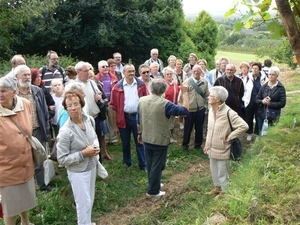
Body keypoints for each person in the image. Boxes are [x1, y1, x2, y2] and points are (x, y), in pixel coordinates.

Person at [138, 78, 189, 197]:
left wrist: (139, 133)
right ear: (164, 90)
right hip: (159, 139)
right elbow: (185, 111)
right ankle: (153, 191)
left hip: (146, 137)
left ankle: (154, 183)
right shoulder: (166, 104)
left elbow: (139, 118)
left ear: (151, 88)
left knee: (151, 164)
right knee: (157, 165)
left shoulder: (142, 100)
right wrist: (185, 93)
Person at [56, 91, 98, 225]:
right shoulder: (65, 132)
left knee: (89, 199)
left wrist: (96, 146)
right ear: (66, 109)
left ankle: (88, 222)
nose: (73, 108)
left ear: (81, 105)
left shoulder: (89, 120)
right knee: (83, 203)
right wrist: (83, 154)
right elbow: (61, 159)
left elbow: (94, 137)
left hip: (92, 166)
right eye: (69, 105)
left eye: (76, 104)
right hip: (78, 171)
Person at [0, 76, 36, 225]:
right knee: (11, 207)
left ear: (14, 92)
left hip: (26, 163)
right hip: (6, 168)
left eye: (3, 91)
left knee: (25, 198)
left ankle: (25, 222)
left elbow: (29, 130)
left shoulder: (25, 104)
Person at [204, 86, 248, 199]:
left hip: (223, 148)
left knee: (222, 173)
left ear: (218, 99)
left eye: (211, 95)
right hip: (212, 147)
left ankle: (225, 192)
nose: (208, 97)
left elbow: (244, 126)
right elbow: (210, 129)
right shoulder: (210, 109)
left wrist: (231, 136)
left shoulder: (229, 113)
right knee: (213, 169)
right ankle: (217, 188)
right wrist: (207, 144)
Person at [15, 65, 54, 192]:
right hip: (19, 133)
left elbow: (44, 112)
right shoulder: (12, 93)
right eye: (24, 75)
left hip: (37, 129)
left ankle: (42, 185)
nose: (27, 77)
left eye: (28, 75)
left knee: (39, 158)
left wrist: (46, 129)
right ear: (17, 77)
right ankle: (25, 186)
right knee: (22, 160)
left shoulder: (37, 90)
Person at [110, 64, 147, 170]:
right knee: (125, 142)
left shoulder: (141, 85)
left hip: (137, 117)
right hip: (124, 117)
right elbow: (114, 107)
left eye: (133, 71)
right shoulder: (117, 88)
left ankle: (143, 164)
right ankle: (127, 162)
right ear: (123, 73)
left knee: (140, 141)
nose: (131, 73)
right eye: (129, 71)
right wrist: (115, 125)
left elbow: (146, 101)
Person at [75, 61, 104, 162]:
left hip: (95, 117)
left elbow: (99, 93)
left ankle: (98, 162)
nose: (88, 72)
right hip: (82, 121)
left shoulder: (91, 82)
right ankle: (88, 163)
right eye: (86, 71)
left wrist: (99, 96)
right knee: (86, 143)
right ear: (78, 72)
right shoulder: (74, 85)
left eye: (89, 70)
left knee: (97, 140)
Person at [178, 65, 209, 154]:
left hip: (201, 109)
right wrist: (181, 109)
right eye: (194, 70)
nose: (196, 72)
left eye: (198, 70)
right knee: (188, 128)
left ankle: (198, 145)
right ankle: (185, 145)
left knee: (199, 128)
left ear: (201, 71)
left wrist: (207, 106)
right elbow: (181, 97)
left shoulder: (205, 82)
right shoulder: (187, 82)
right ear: (192, 71)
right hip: (189, 110)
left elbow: (207, 95)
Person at [89, 69, 112, 160]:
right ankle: (95, 154)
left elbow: (106, 99)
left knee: (102, 134)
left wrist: (100, 100)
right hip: (91, 115)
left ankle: (105, 152)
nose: (90, 79)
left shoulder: (97, 86)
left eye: (91, 77)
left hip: (100, 114)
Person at [256, 66, 286, 133]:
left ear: (277, 76)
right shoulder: (264, 86)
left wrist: (270, 103)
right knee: (261, 132)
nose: (271, 76)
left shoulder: (280, 88)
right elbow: (257, 99)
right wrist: (262, 101)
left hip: (274, 115)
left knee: (271, 134)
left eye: (273, 74)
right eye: (269, 74)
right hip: (262, 113)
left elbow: (282, 103)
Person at [96, 60, 119, 146]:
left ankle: (113, 138)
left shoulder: (114, 78)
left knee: (112, 120)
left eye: (106, 66)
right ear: (99, 69)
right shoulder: (96, 79)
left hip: (112, 102)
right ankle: (105, 139)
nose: (105, 68)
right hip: (101, 103)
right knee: (104, 121)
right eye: (103, 67)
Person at [243, 62, 267, 141]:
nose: (254, 70)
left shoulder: (264, 78)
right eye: (253, 68)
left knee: (258, 118)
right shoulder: (248, 77)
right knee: (249, 118)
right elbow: (244, 88)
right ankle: (249, 133)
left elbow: (267, 90)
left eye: (256, 68)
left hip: (259, 102)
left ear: (259, 69)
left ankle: (257, 134)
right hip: (249, 101)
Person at [164, 68, 180, 143]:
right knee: (166, 123)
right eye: (167, 74)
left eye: (171, 74)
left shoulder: (175, 84)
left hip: (174, 106)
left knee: (173, 122)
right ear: (164, 76)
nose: (169, 75)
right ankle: (166, 137)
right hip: (165, 107)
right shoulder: (163, 84)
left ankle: (171, 137)